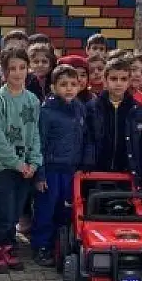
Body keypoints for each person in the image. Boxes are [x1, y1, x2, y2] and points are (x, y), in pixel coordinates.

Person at [0, 47, 43, 274]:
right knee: (1, 208)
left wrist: (34, 163)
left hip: (26, 167)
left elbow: (36, 133)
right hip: (3, 167)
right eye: (12, 69)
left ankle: (8, 246)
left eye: (22, 67)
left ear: (28, 69)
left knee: (15, 209)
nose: (18, 73)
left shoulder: (33, 100)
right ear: (4, 72)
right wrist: (17, 163)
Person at [32, 65, 86, 267]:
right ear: (53, 88)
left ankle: (61, 244)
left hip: (71, 171)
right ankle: (41, 246)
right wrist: (40, 175)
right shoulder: (46, 112)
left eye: (73, 84)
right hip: (51, 170)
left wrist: (82, 164)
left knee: (67, 210)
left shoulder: (80, 108)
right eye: (63, 85)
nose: (69, 88)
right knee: (46, 209)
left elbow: (84, 138)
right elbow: (40, 144)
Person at [83, 58, 142, 179]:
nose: (118, 83)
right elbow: (87, 139)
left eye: (123, 79)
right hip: (95, 172)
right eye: (113, 79)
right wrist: (86, 164)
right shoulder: (91, 108)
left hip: (128, 172)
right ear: (105, 81)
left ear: (129, 81)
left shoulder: (140, 110)